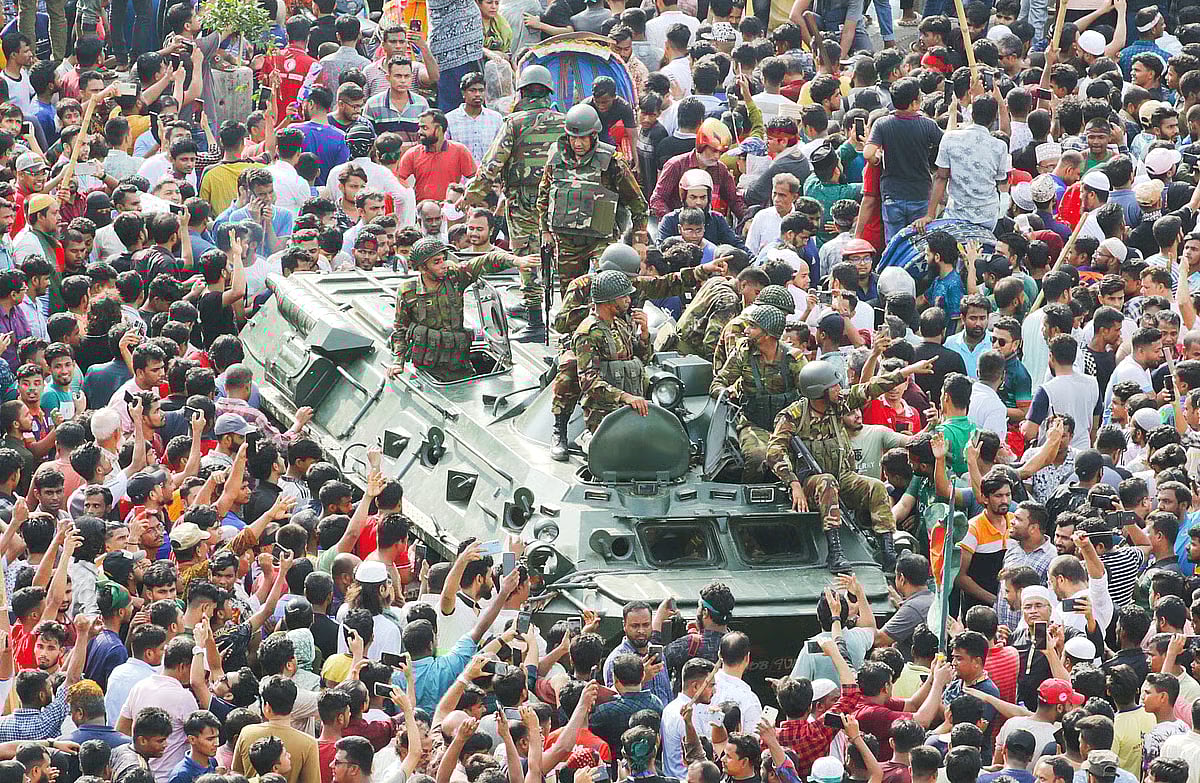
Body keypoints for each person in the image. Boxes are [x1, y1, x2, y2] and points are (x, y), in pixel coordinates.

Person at [767, 358, 934, 572]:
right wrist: (794, 484)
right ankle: (835, 552)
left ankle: (888, 551)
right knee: (827, 482)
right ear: (819, 391)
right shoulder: (794, 416)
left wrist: (908, 370)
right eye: (834, 386)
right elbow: (774, 451)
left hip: (843, 478)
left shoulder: (838, 404)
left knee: (877, 486)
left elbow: (871, 388)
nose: (839, 389)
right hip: (812, 484)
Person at [460, 64, 564, 340]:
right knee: (560, 256)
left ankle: (534, 322)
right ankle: (560, 311)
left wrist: (471, 196)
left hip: (524, 201)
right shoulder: (565, 122)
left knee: (527, 255)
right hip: (561, 201)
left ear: (522, 93)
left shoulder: (515, 123)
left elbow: (492, 164)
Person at [538, 104, 648, 296]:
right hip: (566, 240)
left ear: (593, 136)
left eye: (583, 138)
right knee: (570, 295)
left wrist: (639, 241)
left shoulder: (612, 162)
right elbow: (544, 194)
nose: (577, 143)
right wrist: (545, 230)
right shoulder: (556, 158)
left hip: (601, 239)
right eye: (573, 137)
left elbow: (638, 205)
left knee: (607, 288)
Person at [389, 237, 535, 382]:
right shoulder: (408, 291)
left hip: (458, 365)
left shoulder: (455, 277)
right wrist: (397, 362)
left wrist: (516, 261)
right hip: (427, 370)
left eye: (443, 259)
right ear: (422, 268)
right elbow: (400, 330)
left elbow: (488, 260)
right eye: (436, 262)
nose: (443, 265)